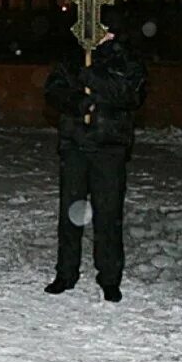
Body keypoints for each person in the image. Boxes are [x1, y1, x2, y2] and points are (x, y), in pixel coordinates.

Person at [42, 30, 147, 303]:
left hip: (109, 147)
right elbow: (53, 90)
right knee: (70, 213)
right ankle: (66, 272)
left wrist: (92, 75)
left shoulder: (124, 57)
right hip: (75, 145)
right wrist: (76, 103)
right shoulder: (72, 55)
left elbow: (129, 93)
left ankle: (110, 277)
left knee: (108, 214)